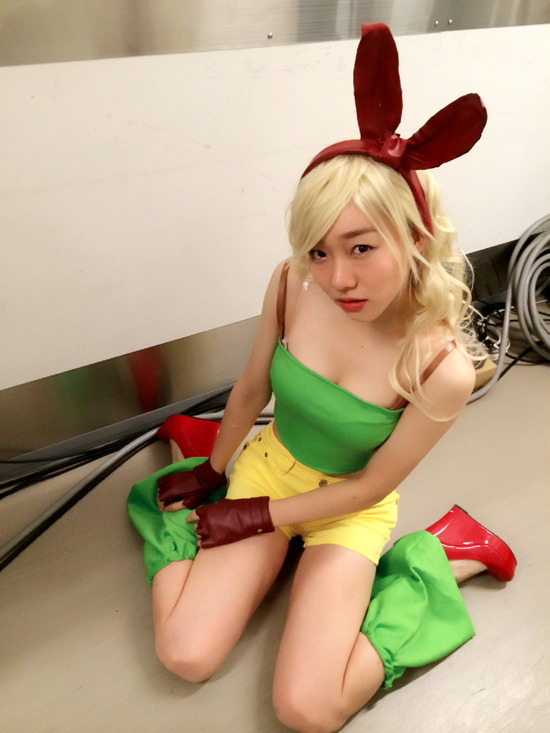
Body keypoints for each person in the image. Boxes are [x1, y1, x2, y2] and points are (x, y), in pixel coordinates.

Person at [127, 24, 516, 733]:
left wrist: (254, 519)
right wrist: (217, 471)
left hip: (349, 507)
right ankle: (200, 450)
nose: (337, 278)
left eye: (361, 248)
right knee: (185, 653)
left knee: (308, 708)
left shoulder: (441, 367)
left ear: (415, 236)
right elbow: (251, 390)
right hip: (271, 467)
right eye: (319, 250)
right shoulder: (291, 284)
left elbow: (369, 487)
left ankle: (443, 554)